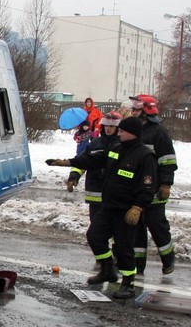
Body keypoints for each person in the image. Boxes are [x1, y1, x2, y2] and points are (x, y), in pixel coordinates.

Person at [46, 115, 156, 299]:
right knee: (94, 236)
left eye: (122, 130)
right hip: (109, 206)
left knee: (124, 248)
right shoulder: (116, 149)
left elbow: (148, 186)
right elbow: (93, 160)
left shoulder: (145, 156)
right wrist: (69, 162)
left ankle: (128, 284)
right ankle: (107, 270)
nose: (119, 132)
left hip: (127, 210)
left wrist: (138, 207)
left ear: (133, 133)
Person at [125, 94, 178, 275]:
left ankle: (168, 259)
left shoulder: (158, 132)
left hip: (154, 191)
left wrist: (166, 184)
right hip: (136, 190)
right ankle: (138, 266)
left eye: (136, 109)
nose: (132, 112)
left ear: (146, 111)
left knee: (157, 226)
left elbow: (168, 161)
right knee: (136, 229)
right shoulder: (135, 131)